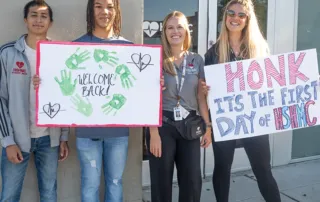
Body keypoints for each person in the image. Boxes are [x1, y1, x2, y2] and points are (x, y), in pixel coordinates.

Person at [202, 0, 281, 202]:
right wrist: (205, 90)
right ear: (225, 17)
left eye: (241, 15)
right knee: (222, 168)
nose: (235, 18)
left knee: (263, 170)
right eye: (231, 13)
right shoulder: (213, 53)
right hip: (225, 119)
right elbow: (206, 92)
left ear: (247, 20)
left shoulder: (259, 49)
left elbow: (274, 82)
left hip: (255, 119)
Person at [0, 1, 69, 202]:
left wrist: (63, 135)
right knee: (9, 196)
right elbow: (1, 99)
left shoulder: (58, 54)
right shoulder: (8, 53)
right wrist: (8, 140)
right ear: (25, 20)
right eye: (34, 15)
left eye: (43, 16)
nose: (38, 20)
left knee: (49, 194)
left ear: (51, 22)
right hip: (17, 140)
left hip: (49, 138)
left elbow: (65, 95)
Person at [146, 11, 212, 202]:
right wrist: (153, 133)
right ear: (164, 32)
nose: (175, 31)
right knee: (161, 181)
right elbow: (149, 98)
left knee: (192, 181)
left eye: (180, 27)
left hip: (189, 124)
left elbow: (200, 98)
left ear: (187, 31)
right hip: (163, 125)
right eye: (170, 27)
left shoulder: (197, 60)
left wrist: (207, 127)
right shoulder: (155, 58)